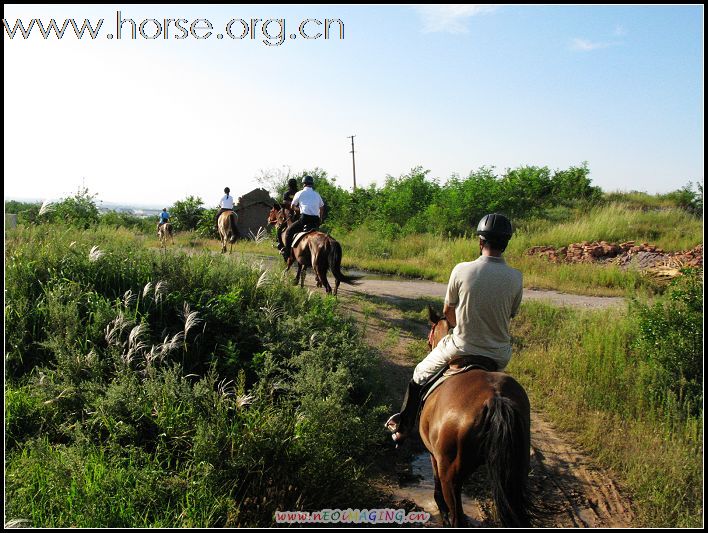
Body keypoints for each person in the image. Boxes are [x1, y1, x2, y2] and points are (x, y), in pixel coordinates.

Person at [385, 213, 523, 445]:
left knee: (419, 373)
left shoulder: (461, 269)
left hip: (462, 347)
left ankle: (404, 426)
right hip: (499, 354)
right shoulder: (516, 277)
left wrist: (462, 323)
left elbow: (448, 314)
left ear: (480, 242)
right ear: (506, 244)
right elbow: (510, 313)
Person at [281, 175, 324, 261]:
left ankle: (288, 253)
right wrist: (320, 218)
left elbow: (292, 206)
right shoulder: (317, 194)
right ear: (312, 184)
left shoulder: (299, 193)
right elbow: (322, 207)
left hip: (305, 219)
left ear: (303, 184)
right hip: (315, 220)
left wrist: (299, 209)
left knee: (289, 232)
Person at [277, 178, 300, 251]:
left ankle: (280, 244)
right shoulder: (298, 192)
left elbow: (284, 203)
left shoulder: (286, 193)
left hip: (289, 213)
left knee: (280, 229)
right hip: (298, 212)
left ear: (289, 185)